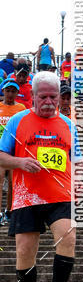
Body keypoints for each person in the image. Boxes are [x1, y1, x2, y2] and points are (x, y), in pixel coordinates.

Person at [0, 71, 82, 282]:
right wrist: (20, 162)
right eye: (43, 96)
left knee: (68, 237)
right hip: (26, 197)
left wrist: (80, 184)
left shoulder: (68, 124)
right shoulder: (18, 121)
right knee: (24, 251)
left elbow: (77, 160)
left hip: (60, 194)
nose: (49, 102)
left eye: (53, 97)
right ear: (33, 96)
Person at [0, 81, 26, 225]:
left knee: (12, 182)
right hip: (0, 149)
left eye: (13, 91)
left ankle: (9, 211)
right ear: (3, 91)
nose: (10, 94)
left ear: (17, 93)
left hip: (14, 149)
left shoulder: (21, 108)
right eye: (8, 91)